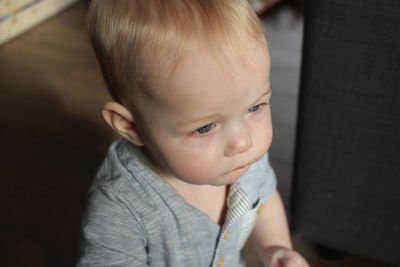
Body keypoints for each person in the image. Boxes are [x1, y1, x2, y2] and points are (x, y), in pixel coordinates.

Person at [78, 0, 309, 266]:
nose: (243, 141)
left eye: (255, 107)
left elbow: (264, 198)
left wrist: (274, 248)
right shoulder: (121, 210)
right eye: (204, 127)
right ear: (132, 127)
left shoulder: (245, 161)